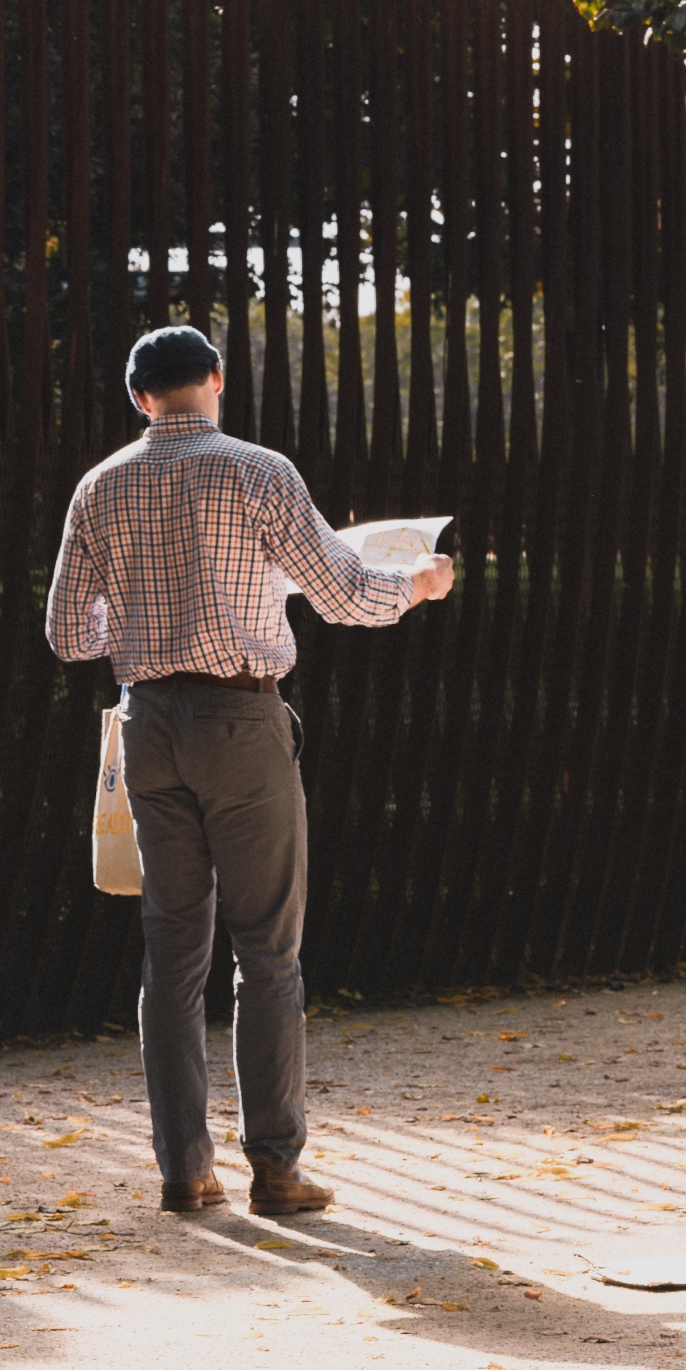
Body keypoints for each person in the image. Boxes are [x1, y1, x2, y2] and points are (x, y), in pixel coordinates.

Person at [45, 324, 456, 1219]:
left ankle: (183, 1172)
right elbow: (345, 593)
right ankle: (275, 1167)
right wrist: (418, 584)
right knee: (267, 949)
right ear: (217, 381)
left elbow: (68, 635)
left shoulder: (98, 486)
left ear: (137, 396)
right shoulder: (260, 471)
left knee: (172, 951)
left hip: (148, 724)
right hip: (241, 719)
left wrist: (154, 639)